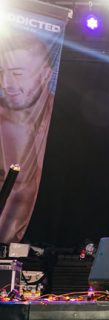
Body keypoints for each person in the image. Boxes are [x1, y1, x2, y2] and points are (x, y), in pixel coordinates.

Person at [0, 31, 55, 243]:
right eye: (2, 73)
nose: (6, 83)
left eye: (17, 74)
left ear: (45, 75)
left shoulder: (58, 118)